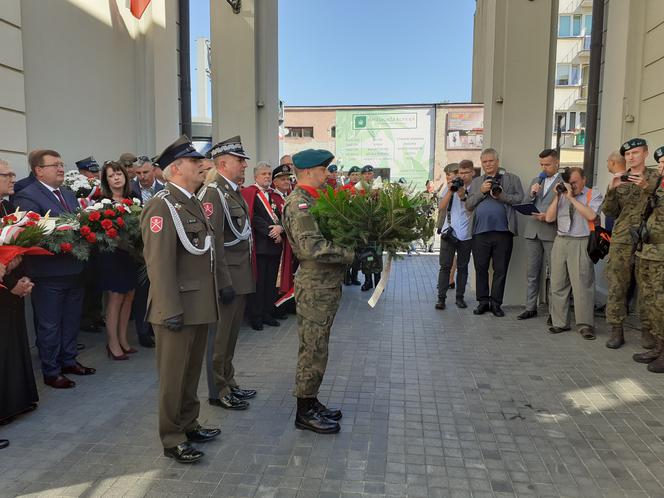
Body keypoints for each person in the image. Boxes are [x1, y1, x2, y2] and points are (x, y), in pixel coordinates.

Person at [140, 135, 220, 464]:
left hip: (198, 304)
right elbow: (158, 262)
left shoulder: (191, 200)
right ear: (175, 169)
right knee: (173, 378)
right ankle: (172, 437)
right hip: (176, 307)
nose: (202, 166)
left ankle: (189, 423)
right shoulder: (162, 204)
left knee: (189, 373)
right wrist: (168, 306)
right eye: (194, 162)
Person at [281, 148, 357, 434]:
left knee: (319, 345)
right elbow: (309, 247)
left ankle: (311, 401)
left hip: (325, 284)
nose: (327, 175)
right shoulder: (298, 203)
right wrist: (350, 253)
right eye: (324, 170)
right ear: (310, 171)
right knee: (312, 347)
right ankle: (304, 411)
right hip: (314, 286)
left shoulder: (315, 200)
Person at [13, 149, 95, 388]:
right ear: (39, 170)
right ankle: (51, 371)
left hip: (75, 269)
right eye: (55, 165)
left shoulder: (68, 194)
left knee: (71, 321)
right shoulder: (27, 197)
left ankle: (69, 361)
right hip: (48, 272)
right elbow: (32, 236)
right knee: (49, 325)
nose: (61, 168)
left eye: (61, 164)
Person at [199, 136, 257, 410]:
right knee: (220, 338)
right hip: (227, 278)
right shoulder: (214, 193)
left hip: (240, 274)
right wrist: (222, 282)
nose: (244, 165)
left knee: (231, 336)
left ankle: (229, 382)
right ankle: (217, 390)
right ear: (223, 163)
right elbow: (215, 243)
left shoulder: (232, 191)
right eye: (239, 160)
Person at [601, 138, 658, 349]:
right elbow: (609, 211)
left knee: (646, 288)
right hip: (623, 240)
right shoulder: (620, 178)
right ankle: (616, 330)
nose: (631, 157)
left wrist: (646, 187)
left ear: (645, 153)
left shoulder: (656, 177)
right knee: (617, 285)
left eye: (635, 153)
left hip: (648, 241)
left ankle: (647, 331)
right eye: (627, 154)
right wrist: (612, 189)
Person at [0, 161, 39, 433]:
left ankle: (15, 402)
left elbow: (15, 245)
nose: (13, 178)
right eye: (7, 175)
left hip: (10, 286)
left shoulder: (6, 205)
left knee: (12, 344)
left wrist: (21, 278)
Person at [545, 167, 603, 339]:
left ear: (584, 179)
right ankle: (559, 322)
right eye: (569, 183)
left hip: (581, 241)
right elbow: (549, 218)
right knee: (558, 283)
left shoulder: (593, 194)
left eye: (575, 182)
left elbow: (591, 215)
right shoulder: (561, 194)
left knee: (582, 285)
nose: (572, 186)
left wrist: (571, 198)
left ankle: (585, 325)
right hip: (561, 241)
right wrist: (558, 197)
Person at [465, 148, 525, 317]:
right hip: (480, 232)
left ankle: (496, 303)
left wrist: (502, 196)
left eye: (491, 161)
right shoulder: (477, 182)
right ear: (481, 164)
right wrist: (482, 192)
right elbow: (468, 205)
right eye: (484, 162)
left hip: (503, 232)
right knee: (481, 268)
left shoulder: (511, 179)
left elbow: (519, 199)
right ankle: (483, 302)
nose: (488, 164)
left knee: (500, 269)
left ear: (497, 162)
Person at [97, 161, 138, 360]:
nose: (116, 178)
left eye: (119, 174)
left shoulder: (133, 199)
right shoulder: (102, 202)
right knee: (115, 298)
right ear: (106, 180)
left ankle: (123, 339)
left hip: (131, 254)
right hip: (112, 255)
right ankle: (112, 343)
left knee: (129, 295)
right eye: (111, 175)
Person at [518, 149, 562, 320]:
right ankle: (530, 307)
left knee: (555, 273)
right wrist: (531, 193)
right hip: (532, 231)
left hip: (551, 231)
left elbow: (565, 207)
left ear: (557, 162)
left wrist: (549, 217)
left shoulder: (562, 181)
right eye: (541, 164)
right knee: (532, 272)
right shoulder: (537, 180)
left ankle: (554, 311)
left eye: (548, 164)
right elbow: (524, 203)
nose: (544, 168)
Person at [632, 146, 664, 372]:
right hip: (648, 251)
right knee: (651, 301)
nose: (660, 166)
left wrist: (650, 188)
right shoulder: (657, 185)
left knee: (662, 303)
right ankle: (658, 347)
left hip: (661, 254)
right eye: (660, 162)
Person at [242, 162, 284, 330]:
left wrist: (280, 227)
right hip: (259, 246)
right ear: (256, 176)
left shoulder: (276, 195)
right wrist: (271, 231)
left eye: (269, 174)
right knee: (259, 283)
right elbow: (252, 216)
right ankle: (256, 316)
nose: (267, 177)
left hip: (275, 246)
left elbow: (284, 214)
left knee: (271, 283)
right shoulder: (250, 193)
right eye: (264, 174)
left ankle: (268, 313)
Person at [129, 157, 164, 348]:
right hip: (138, 251)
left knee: (159, 290)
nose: (142, 177)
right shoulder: (130, 191)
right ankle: (142, 331)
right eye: (138, 173)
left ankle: (156, 326)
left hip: (160, 249)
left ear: (154, 170)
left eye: (146, 172)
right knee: (142, 292)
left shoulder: (165, 190)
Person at [436, 161, 474, 310]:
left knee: (463, 267)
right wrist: (451, 190)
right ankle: (441, 298)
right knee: (445, 267)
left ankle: (460, 298)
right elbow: (441, 207)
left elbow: (471, 210)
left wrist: (462, 194)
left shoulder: (472, 188)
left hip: (466, 234)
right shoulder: (448, 188)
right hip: (449, 232)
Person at [270, 164, 296, 316]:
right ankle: (278, 307)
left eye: (288, 179)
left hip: (292, 244)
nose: (287, 182)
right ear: (275, 182)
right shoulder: (272, 198)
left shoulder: (290, 196)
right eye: (283, 179)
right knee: (280, 276)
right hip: (281, 245)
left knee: (291, 274)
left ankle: (289, 305)